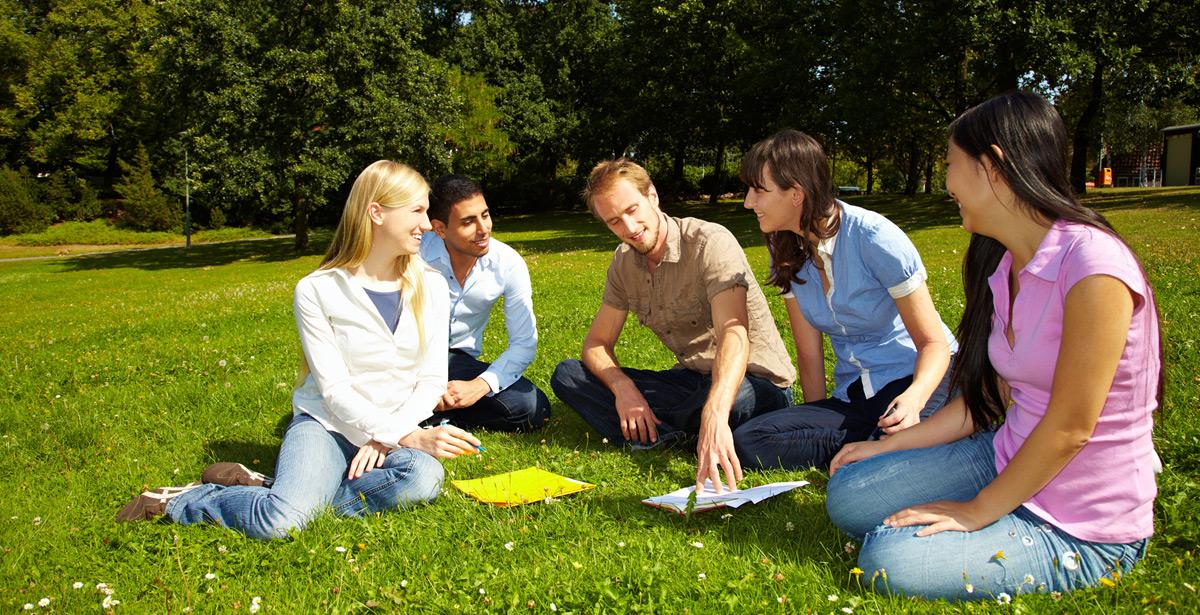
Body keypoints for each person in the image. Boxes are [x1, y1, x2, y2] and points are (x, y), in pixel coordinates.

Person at [825, 91, 1163, 600]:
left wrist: (978, 509)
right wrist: (887, 445)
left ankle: (998, 529)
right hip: (1006, 455)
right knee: (850, 494)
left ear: (993, 166)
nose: (946, 184)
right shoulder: (1006, 266)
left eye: (950, 165)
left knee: (885, 560)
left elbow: (1071, 426)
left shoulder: (1094, 267)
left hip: (1083, 521)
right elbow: (989, 402)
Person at [117, 160, 482, 539]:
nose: (427, 224)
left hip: (391, 428)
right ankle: (185, 500)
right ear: (376, 212)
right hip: (327, 426)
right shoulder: (317, 290)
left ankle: (274, 489)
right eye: (417, 211)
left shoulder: (431, 284)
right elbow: (335, 392)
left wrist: (388, 435)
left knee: (422, 476)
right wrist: (404, 436)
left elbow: (432, 378)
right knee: (282, 523)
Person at [550, 158, 796, 493]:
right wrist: (624, 390)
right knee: (569, 375)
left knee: (735, 401)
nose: (630, 227)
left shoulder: (710, 242)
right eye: (614, 221)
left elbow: (734, 333)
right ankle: (678, 430)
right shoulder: (623, 263)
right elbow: (596, 344)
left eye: (633, 209)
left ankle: (674, 429)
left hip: (753, 382)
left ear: (652, 196)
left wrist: (714, 410)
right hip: (692, 382)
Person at [730, 129, 957, 471]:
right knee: (748, 441)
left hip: (918, 380)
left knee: (888, 458)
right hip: (856, 393)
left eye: (759, 191)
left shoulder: (874, 238)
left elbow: (933, 343)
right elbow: (808, 352)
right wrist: (812, 417)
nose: (748, 202)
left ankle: (895, 441)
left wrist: (914, 400)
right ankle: (874, 445)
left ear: (796, 193)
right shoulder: (785, 247)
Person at [418, 174, 550, 432]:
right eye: (468, 222)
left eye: (485, 215)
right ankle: (422, 409)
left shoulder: (507, 264)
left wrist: (479, 386)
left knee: (534, 408)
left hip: (457, 362)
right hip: (409, 361)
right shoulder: (416, 255)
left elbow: (524, 343)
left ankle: (431, 413)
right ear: (440, 228)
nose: (483, 229)